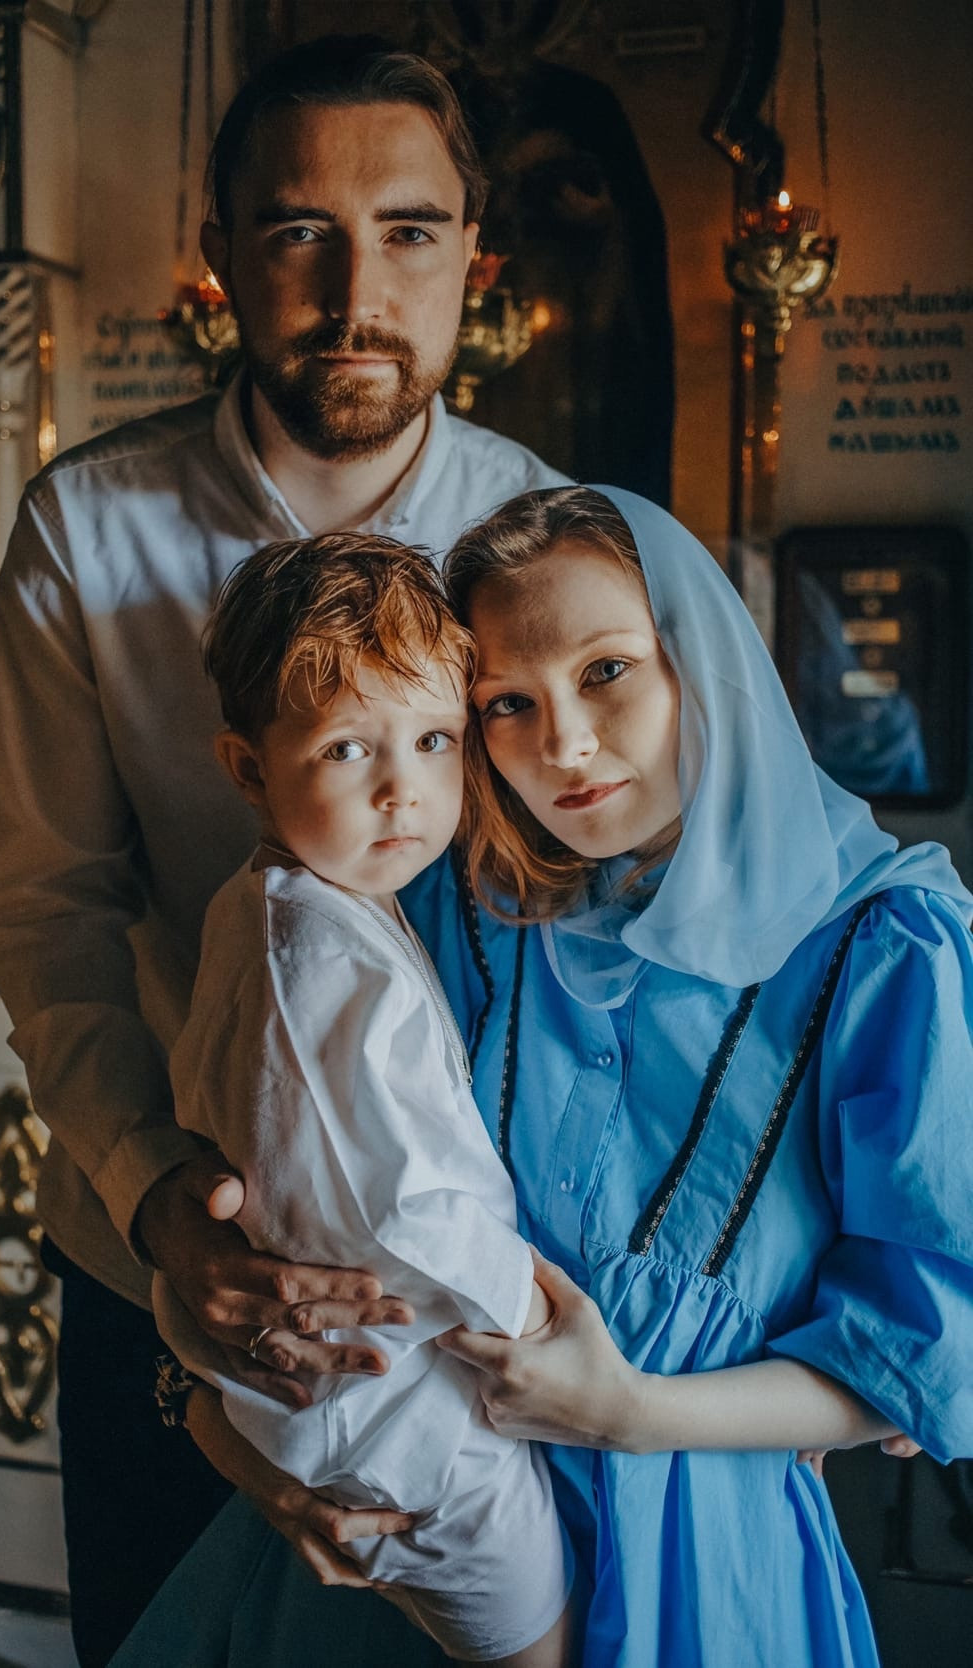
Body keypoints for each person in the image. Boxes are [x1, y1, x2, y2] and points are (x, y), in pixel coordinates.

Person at [110, 485, 972, 1668]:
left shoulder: (885, 946)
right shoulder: (457, 908)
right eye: (505, 704)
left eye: (607, 671)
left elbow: (916, 1363)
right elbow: (306, 1216)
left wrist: (630, 1412)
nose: (562, 745)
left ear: (699, 661)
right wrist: (243, 1447)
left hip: (693, 1551)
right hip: (413, 1524)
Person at [0, 35, 567, 1668]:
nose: (356, 283)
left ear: (470, 262)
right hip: (157, 1262)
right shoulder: (87, 529)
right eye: (299, 228)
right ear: (221, 256)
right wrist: (169, 1218)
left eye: (409, 228)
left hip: (477, 1311)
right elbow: (45, 906)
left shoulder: (549, 538)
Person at [156, 534, 572, 1665]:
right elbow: (400, 1207)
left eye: (434, 739)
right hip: (410, 1417)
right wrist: (533, 1320)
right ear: (248, 769)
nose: (404, 790)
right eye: (348, 749)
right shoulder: (318, 955)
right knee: (544, 1643)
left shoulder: (301, 900)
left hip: (368, 1395)